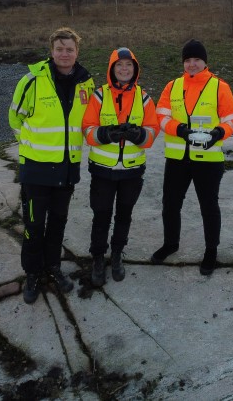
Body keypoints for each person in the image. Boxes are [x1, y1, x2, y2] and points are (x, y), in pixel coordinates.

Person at [8, 27, 95, 304]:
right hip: (36, 170)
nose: (64, 54)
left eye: (70, 49)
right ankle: (33, 273)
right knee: (34, 225)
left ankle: (53, 267)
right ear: (52, 50)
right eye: (60, 49)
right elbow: (15, 119)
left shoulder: (86, 83)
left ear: (77, 52)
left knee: (58, 223)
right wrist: (30, 148)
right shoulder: (32, 81)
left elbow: (88, 121)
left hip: (67, 169)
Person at [151, 39, 233, 275]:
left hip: (208, 160)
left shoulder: (220, 87)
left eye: (196, 60)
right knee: (170, 205)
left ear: (205, 62)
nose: (192, 64)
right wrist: (179, 130)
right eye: (188, 60)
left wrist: (219, 133)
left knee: (208, 206)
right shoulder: (172, 86)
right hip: (178, 159)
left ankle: (211, 251)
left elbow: (232, 119)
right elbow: (160, 116)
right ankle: (170, 244)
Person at [82, 47, 159, 286]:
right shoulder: (98, 96)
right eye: (119, 65)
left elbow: (153, 133)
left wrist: (137, 135)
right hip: (103, 170)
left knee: (124, 215)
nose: (124, 69)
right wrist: (107, 133)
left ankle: (116, 255)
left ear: (135, 69)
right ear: (112, 69)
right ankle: (97, 258)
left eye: (128, 65)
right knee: (101, 215)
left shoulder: (144, 98)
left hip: (132, 171)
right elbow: (87, 130)